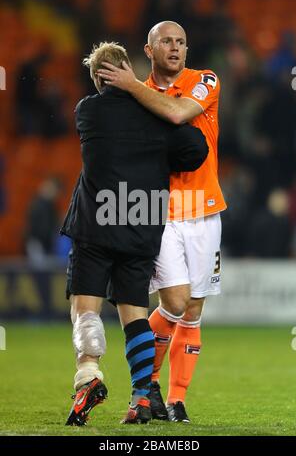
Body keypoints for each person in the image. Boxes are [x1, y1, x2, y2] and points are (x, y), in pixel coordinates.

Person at [60, 41, 208, 426]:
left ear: (97, 79)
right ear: (129, 70)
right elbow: (196, 149)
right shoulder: (157, 116)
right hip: (142, 224)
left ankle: (89, 375)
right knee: (135, 314)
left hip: (96, 223)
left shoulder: (88, 111)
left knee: (84, 310)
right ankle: (142, 398)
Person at [97, 20, 227, 423]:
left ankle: (176, 399)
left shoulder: (205, 80)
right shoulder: (136, 98)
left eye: (181, 42)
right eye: (166, 42)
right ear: (149, 50)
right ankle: (146, 383)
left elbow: (178, 113)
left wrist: (133, 85)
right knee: (174, 301)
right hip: (161, 212)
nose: (175, 48)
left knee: (194, 309)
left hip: (206, 209)